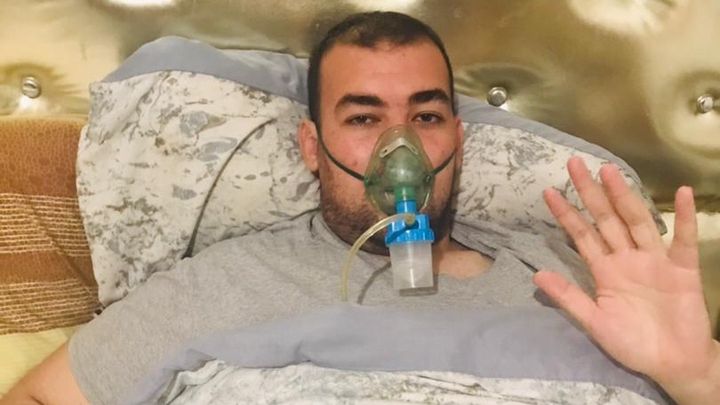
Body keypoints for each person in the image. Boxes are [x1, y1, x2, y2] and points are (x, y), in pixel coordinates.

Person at [3, 11, 718, 405]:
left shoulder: (583, 284)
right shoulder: (217, 284)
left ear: (457, 138)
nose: (398, 151)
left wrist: (697, 377)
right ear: (312, 147)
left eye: (425, 117)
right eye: (364, 117)